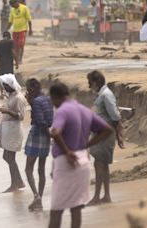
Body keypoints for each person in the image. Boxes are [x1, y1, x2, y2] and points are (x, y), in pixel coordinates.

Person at [48, 82, 113, 228]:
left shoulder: (63, 111)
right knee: (76, 208)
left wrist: (67, 151)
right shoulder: (84, 110)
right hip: (83, 161)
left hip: (66, 162)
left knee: (56, 211)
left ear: (55, 97)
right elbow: (107, 129)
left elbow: (55, 132)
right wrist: (86, 145)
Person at [86, 71, 125, 206]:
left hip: (105, 133)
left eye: (90, 82)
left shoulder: (105, 95)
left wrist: (119, 135)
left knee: (99, 164)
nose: (88, 85)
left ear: (96, 82)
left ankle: (97, 197)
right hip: (101, 133)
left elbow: (115, 115)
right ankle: (106, 196)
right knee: (102, 164)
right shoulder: (100, 94)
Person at [24, 78, 53, 210]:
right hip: (46, 134)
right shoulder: (47, 99)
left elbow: (39, 121)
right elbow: (49, 118)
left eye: (28, 90)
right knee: (41, 169)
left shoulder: (35, 101)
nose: (27, 92)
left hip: (37, 134)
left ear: (32, 89)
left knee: (28, 168)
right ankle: (39, 198)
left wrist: (31, 103)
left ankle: (36, 196)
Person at [0, 74, 27, 192]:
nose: (4, 88)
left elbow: (21, 116)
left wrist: (5, 110)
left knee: (10, 157)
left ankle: (15, 184)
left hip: (14, 130)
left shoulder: (18, 98)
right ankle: (19, 181)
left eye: (5, 86)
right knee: (6, 156)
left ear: (11, 85)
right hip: (8, 129)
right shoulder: (11, 96)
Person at [7, 0, 32, 64]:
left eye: (13, 5)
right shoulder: (12, 10)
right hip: (15, 30)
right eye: (11, 6)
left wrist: (30, 29)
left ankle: (20, 59)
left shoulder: (24, 8)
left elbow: (29, 19)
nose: (13, 7)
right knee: (15, 46)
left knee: (21, 44)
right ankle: (16, 59)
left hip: (23, 29)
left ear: (16, 2)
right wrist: (6, 29)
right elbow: (10, 21)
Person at [0, 31, 18, 97]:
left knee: (2, 78)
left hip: (1, 63)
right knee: (10, 77)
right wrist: (17, 62)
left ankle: (2, 93)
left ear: (3, 36)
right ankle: (11, 92)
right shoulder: (11, 42)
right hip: (9, 63)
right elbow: (13, 52)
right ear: (9, 36)